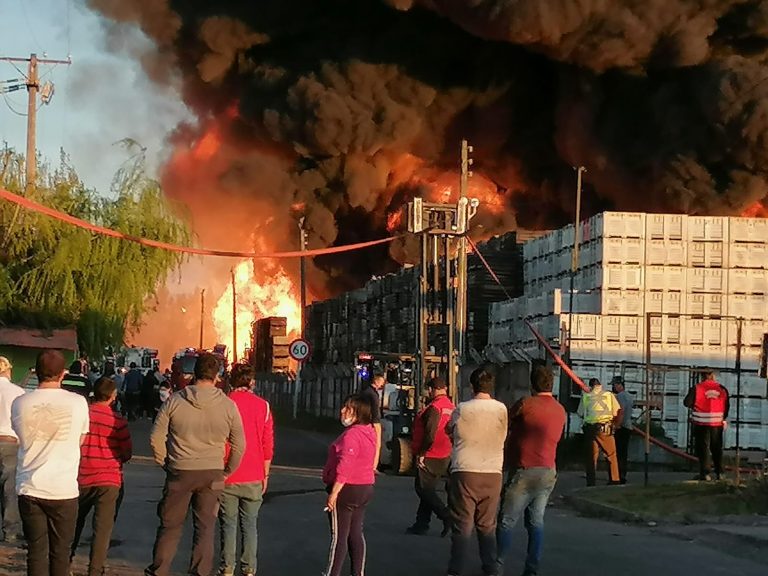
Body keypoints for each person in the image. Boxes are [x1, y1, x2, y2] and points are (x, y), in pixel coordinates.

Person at [146, 353, 245, 576]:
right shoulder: (228, 406)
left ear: (194, 373)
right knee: (205, 529)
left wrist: (166, 463)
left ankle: (159, 571)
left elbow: (156, 436)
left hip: (179, 470)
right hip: (212, 473)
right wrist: (226, 471)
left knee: (169, 526)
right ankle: (199, 572)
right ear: (218, 375)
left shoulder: (175, 400)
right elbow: (239, 445)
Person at [11, 350, 89, 576]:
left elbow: (20, 437)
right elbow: (80, 440)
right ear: (62, 374)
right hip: (63, 488)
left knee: (36, 551)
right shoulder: (78, 402)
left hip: (29, 486)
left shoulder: (20, 402)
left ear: (36, 371)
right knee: (61, 552)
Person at [496, 364, 566, 576]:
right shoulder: (560, 410)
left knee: (507, 521)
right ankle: (532, 568)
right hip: (548, 470)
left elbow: (505, 421)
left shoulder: (526, 404)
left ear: (531, 384)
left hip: (524, 468)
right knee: (536, 521)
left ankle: (497, 565)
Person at [446, 367, 507, 576]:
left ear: (472, 386)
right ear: (492, 387)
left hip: (465, 469)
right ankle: (490, 567)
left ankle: (456, 570)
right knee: (487, 523)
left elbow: (450, 430)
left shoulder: (462, 409)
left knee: (462, 523)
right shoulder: (501, 410)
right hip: (493, 471)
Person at [71, 377, 132, 576]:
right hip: (109, 479)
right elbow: (126, 453)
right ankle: (95, 570)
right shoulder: (118, 422)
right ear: (113, 397)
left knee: (74, 523)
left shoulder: (81, 416)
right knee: (102, 529)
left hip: (81, 476)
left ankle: (65, 561)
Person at [218, 364, 274, 576]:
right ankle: (249, 569)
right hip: (254, 474)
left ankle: (227, 569)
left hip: (227, 474)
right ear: (252, 382)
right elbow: (267, 444)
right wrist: (265, 474)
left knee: (228, 524)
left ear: (231, 381)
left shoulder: (224, 404)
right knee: (250, 525)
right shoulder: (264, 406)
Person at [322, 394, 377, 576]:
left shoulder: (352, 435)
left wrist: (334, 493)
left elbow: (345, 465)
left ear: (358, 413)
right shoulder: (368, 431)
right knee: (355, 533)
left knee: (339, 536)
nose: (342, 411)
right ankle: (358, 572)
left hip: (348, 489)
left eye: (348, 408)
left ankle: (333, 572)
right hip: (365, 486)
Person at [406, 376, 454, 537]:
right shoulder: (450, 406)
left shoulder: (434, 408)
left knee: (423, 489)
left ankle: (446, 515)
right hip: (445, 452)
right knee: (428, 489)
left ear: (433, 390)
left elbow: (430, 434)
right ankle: (421, 523)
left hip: (431, 454)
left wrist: (421, 453)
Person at [683, 370, 729, 481]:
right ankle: (720, 473)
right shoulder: (722, 389)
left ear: (702, 376)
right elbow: (726, 406)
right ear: (713, 376)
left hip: (701, 423)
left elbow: (687, 403)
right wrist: (723, 418)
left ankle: (705, 473)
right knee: (716, 448)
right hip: (717, 424)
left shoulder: (697, 388)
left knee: (703, 449)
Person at [578, 378, 622, 486]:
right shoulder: (609, 395)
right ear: (600, 385)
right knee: (611, 454)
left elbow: (580, 413)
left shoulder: (586, 396)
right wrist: (615, 426)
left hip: (590, 430)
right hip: (605, 429)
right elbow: (618, 411)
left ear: (590, 386)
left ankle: (591, 483)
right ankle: (614, 480)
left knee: (591, 457)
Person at [0, 356, 24, 542]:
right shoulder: (17, 392)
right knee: (9, 490)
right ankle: (10, 532)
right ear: (8, 370)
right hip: (9, 442)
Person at [611, 376, 634, 484]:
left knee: (618, 453)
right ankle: (623, 474)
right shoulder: (629, 396)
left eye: (615, 385)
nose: (613, 387)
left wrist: (617, 425)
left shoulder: (619, 396)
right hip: (628, 425)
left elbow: (621, 410)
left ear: (619, 385)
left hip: (622, 427)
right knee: (624, 453)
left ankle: (618, 476)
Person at [360, 373, 384, 471]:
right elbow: (375, 409)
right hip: (373, 421)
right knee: (377, 444)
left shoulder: (365, 391)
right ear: (377, 381)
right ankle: (374, 466)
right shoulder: (373, 394)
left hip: (365, 419)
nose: (382, 384)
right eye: (382, 382)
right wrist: (376, 423)